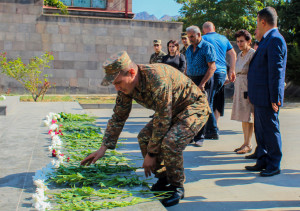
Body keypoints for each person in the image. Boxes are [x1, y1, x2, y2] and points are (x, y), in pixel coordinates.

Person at [81, 51, 210, 206]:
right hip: (172, 109)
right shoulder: (126, 87)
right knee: (144, 137)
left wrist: (151, 153)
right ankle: (163, 179)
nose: (116, 88)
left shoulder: (157, 78)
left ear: (132, 72)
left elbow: (163, 117)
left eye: (118, 82)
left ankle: (177, 186)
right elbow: (118, 117)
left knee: (171, 143)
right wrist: (103, 148)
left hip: (194, 106)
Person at [246, 7, 287, 177]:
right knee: (261, 130)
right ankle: (262, 159)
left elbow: (276, 71)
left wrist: (275, 98)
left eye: (257, 21)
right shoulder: (266, 39)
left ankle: (273, 163)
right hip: (259, 96)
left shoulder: (275, 39)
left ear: (263, 22)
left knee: (270, 129)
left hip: (267, 97)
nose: (257, 24)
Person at [202, 21, 237, 140]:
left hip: (210, 73)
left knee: (208, 101)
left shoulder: (203, 39)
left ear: (203, 30)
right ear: (214, 28)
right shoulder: (223, 38)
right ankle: (212, 128)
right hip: (222, 74)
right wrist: (231, 71)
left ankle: (213, 130)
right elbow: (233, 54)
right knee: (213, 100)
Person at [185, 25, 216, 147]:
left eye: (192, 36)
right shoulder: (188, 49)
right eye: (188, 37)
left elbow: (212, 67)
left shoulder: (207, 47)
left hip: (204, 80)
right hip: (192, 80)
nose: (190, 39)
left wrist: (202, 84)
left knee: (201, 109)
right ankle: (192, 135)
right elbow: (188, 66)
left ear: (199, 35)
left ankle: (200, 137)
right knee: (191, 109)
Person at [231, 29, 255, 154]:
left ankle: (249, 144)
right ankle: (245, 142)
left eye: (242, 41)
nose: (239, 44)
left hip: (248, 86)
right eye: (238, 41)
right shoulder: (239, 55)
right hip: (239, 85)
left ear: (248, 41)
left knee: (249, 116)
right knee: (243, 116)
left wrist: (252, 91)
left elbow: (254, 74)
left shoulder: (252, 54)